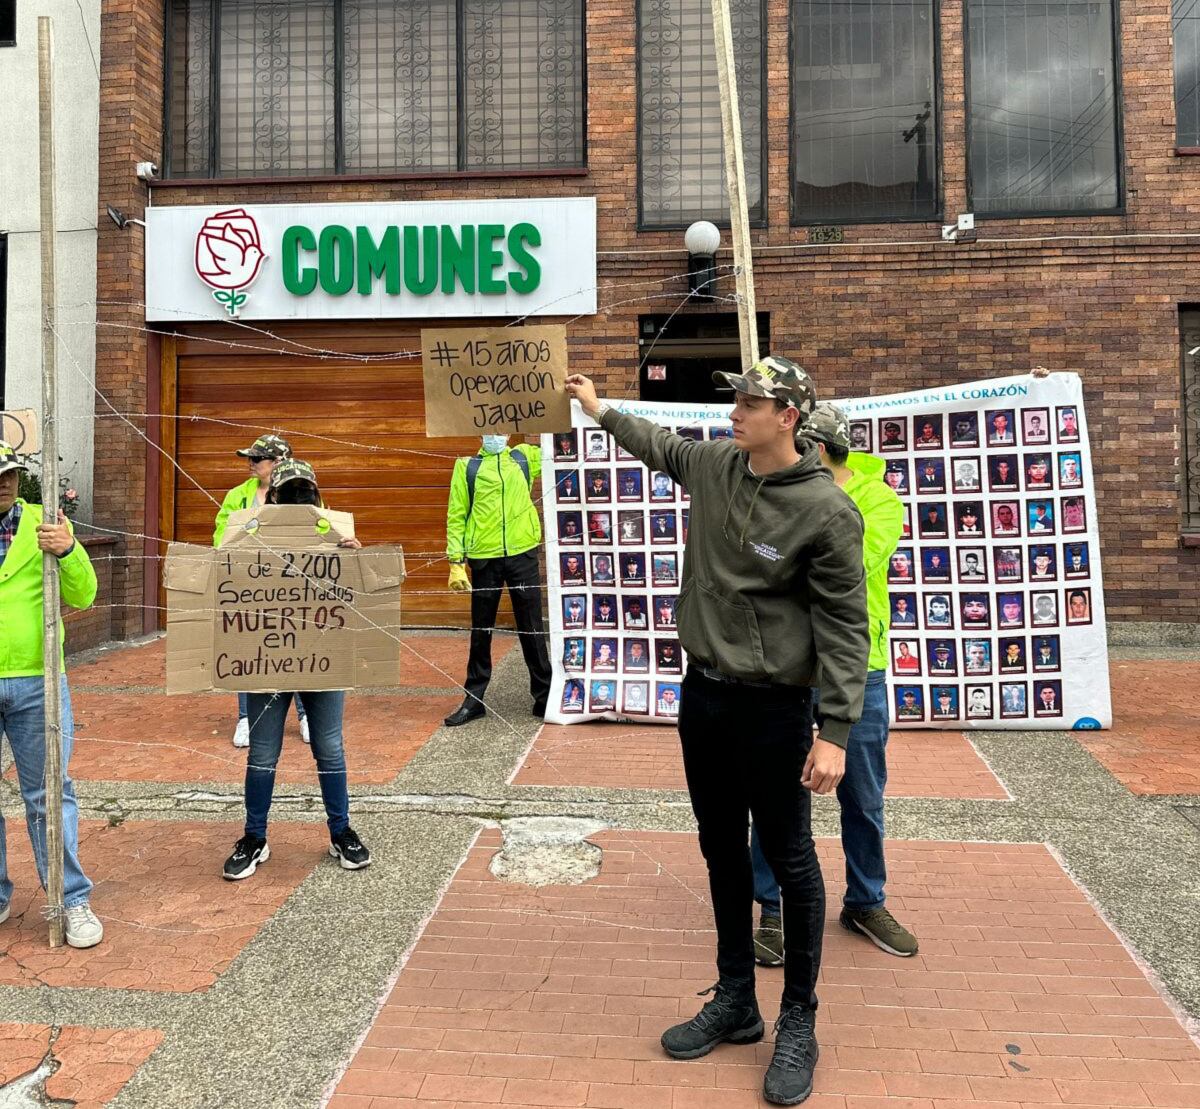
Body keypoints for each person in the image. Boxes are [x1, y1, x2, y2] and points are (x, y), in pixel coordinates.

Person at [566, 360, 869, 1107]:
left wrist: (834, 730)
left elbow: (843, 626)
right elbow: (658, 443)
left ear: (788, 416)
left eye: (750, 401)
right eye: (735, 397)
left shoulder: (827, 512)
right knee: (718, 845)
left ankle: (798, 1016)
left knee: (790, 857)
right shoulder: (715, 464)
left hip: (775, 710)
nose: (735, 409)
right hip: (703, 696)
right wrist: (599, 408)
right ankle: (737, 996)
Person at [222, 459, 372, 880]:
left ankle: (341, 831)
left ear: (318, 499)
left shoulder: (338, 548)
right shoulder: (248, 543)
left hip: (321, 664)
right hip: (268, 664)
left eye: (307, 495)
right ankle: (254, 837)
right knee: (263, 752)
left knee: (329, 748)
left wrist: (356, 563)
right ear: (272, 500)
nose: (300, 504)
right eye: (291, 495)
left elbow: (364, 608)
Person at [0, 442, 104, 948]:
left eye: (11, 473)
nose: (4, 482)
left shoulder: (48, 522)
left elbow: (84, 595)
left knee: (48, 791)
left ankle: (70, 898)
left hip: (37, 677)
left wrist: (68, 549)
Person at [444, 435, 552, 726]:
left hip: (522, 554)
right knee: (481, 631)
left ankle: (545, 696)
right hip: (485, 557)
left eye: (503, 427)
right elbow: (457, 514)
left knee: (532, 628)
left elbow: (561, 448)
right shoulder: (468, 466)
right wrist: (455, 561)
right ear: (480, 433)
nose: (497, 434)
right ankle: (474, 700)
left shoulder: (524, 457)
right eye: (491, 428)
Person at [216, 434, 309, 749]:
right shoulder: (237, 496)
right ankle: (246, 717)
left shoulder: (302, 491)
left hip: (291, 588)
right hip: (249, 586)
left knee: (294, 646)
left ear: (279, 462)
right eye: (249, 458)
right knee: (247, 648)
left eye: (258, 458)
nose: (250, 464)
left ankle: (306, 714)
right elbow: (221, 536)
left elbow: (320, 533)